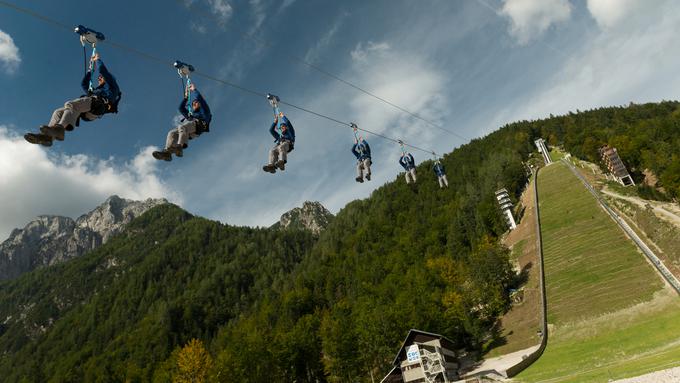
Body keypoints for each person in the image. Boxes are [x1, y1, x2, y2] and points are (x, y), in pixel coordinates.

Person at [29, 53, 120, 144]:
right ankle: (48, 137)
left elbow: (103, 71)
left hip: (97, 105)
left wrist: (97, 60)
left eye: (101, 77)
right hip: (88, 111)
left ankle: (59, 129)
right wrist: (90, 70)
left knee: (71, 104)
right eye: (99, 77)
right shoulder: (96, 91)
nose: (99, 78)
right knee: (58, 112)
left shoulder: (112, 86)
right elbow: (84, 84)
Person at [153, 83, 211, 161]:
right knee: (172, 133)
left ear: (200, 104)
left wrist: (194, 89)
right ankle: (167, 153)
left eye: (196, 103)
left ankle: (180, 146)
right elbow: (181, 108)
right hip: (189, 132)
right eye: (193, 104)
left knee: (182, 126)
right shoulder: (192, 115)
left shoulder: (205, 111)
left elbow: (201, 99)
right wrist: (186, 98)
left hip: (198, 126)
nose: (194, 104)